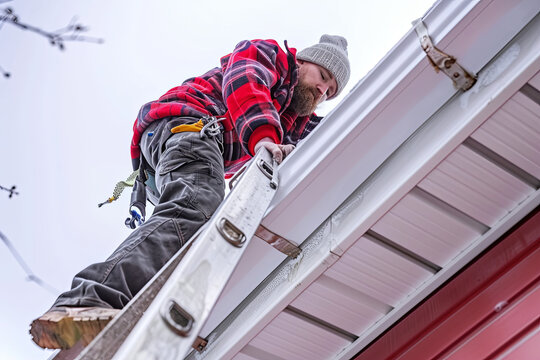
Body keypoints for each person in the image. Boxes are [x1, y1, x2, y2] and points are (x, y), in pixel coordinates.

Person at [30, 34, 351, 350]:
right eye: (323, 76)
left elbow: (329, 133)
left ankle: (108, 311)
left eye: (330, 91)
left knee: (194, 216)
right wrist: (264, 137)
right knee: (197, 204)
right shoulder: (272, 59)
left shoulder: (292, 118)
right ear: (303, 60)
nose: (323, 90)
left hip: (178, 143)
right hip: (188, 124)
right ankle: (88, 299)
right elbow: (245, 81)